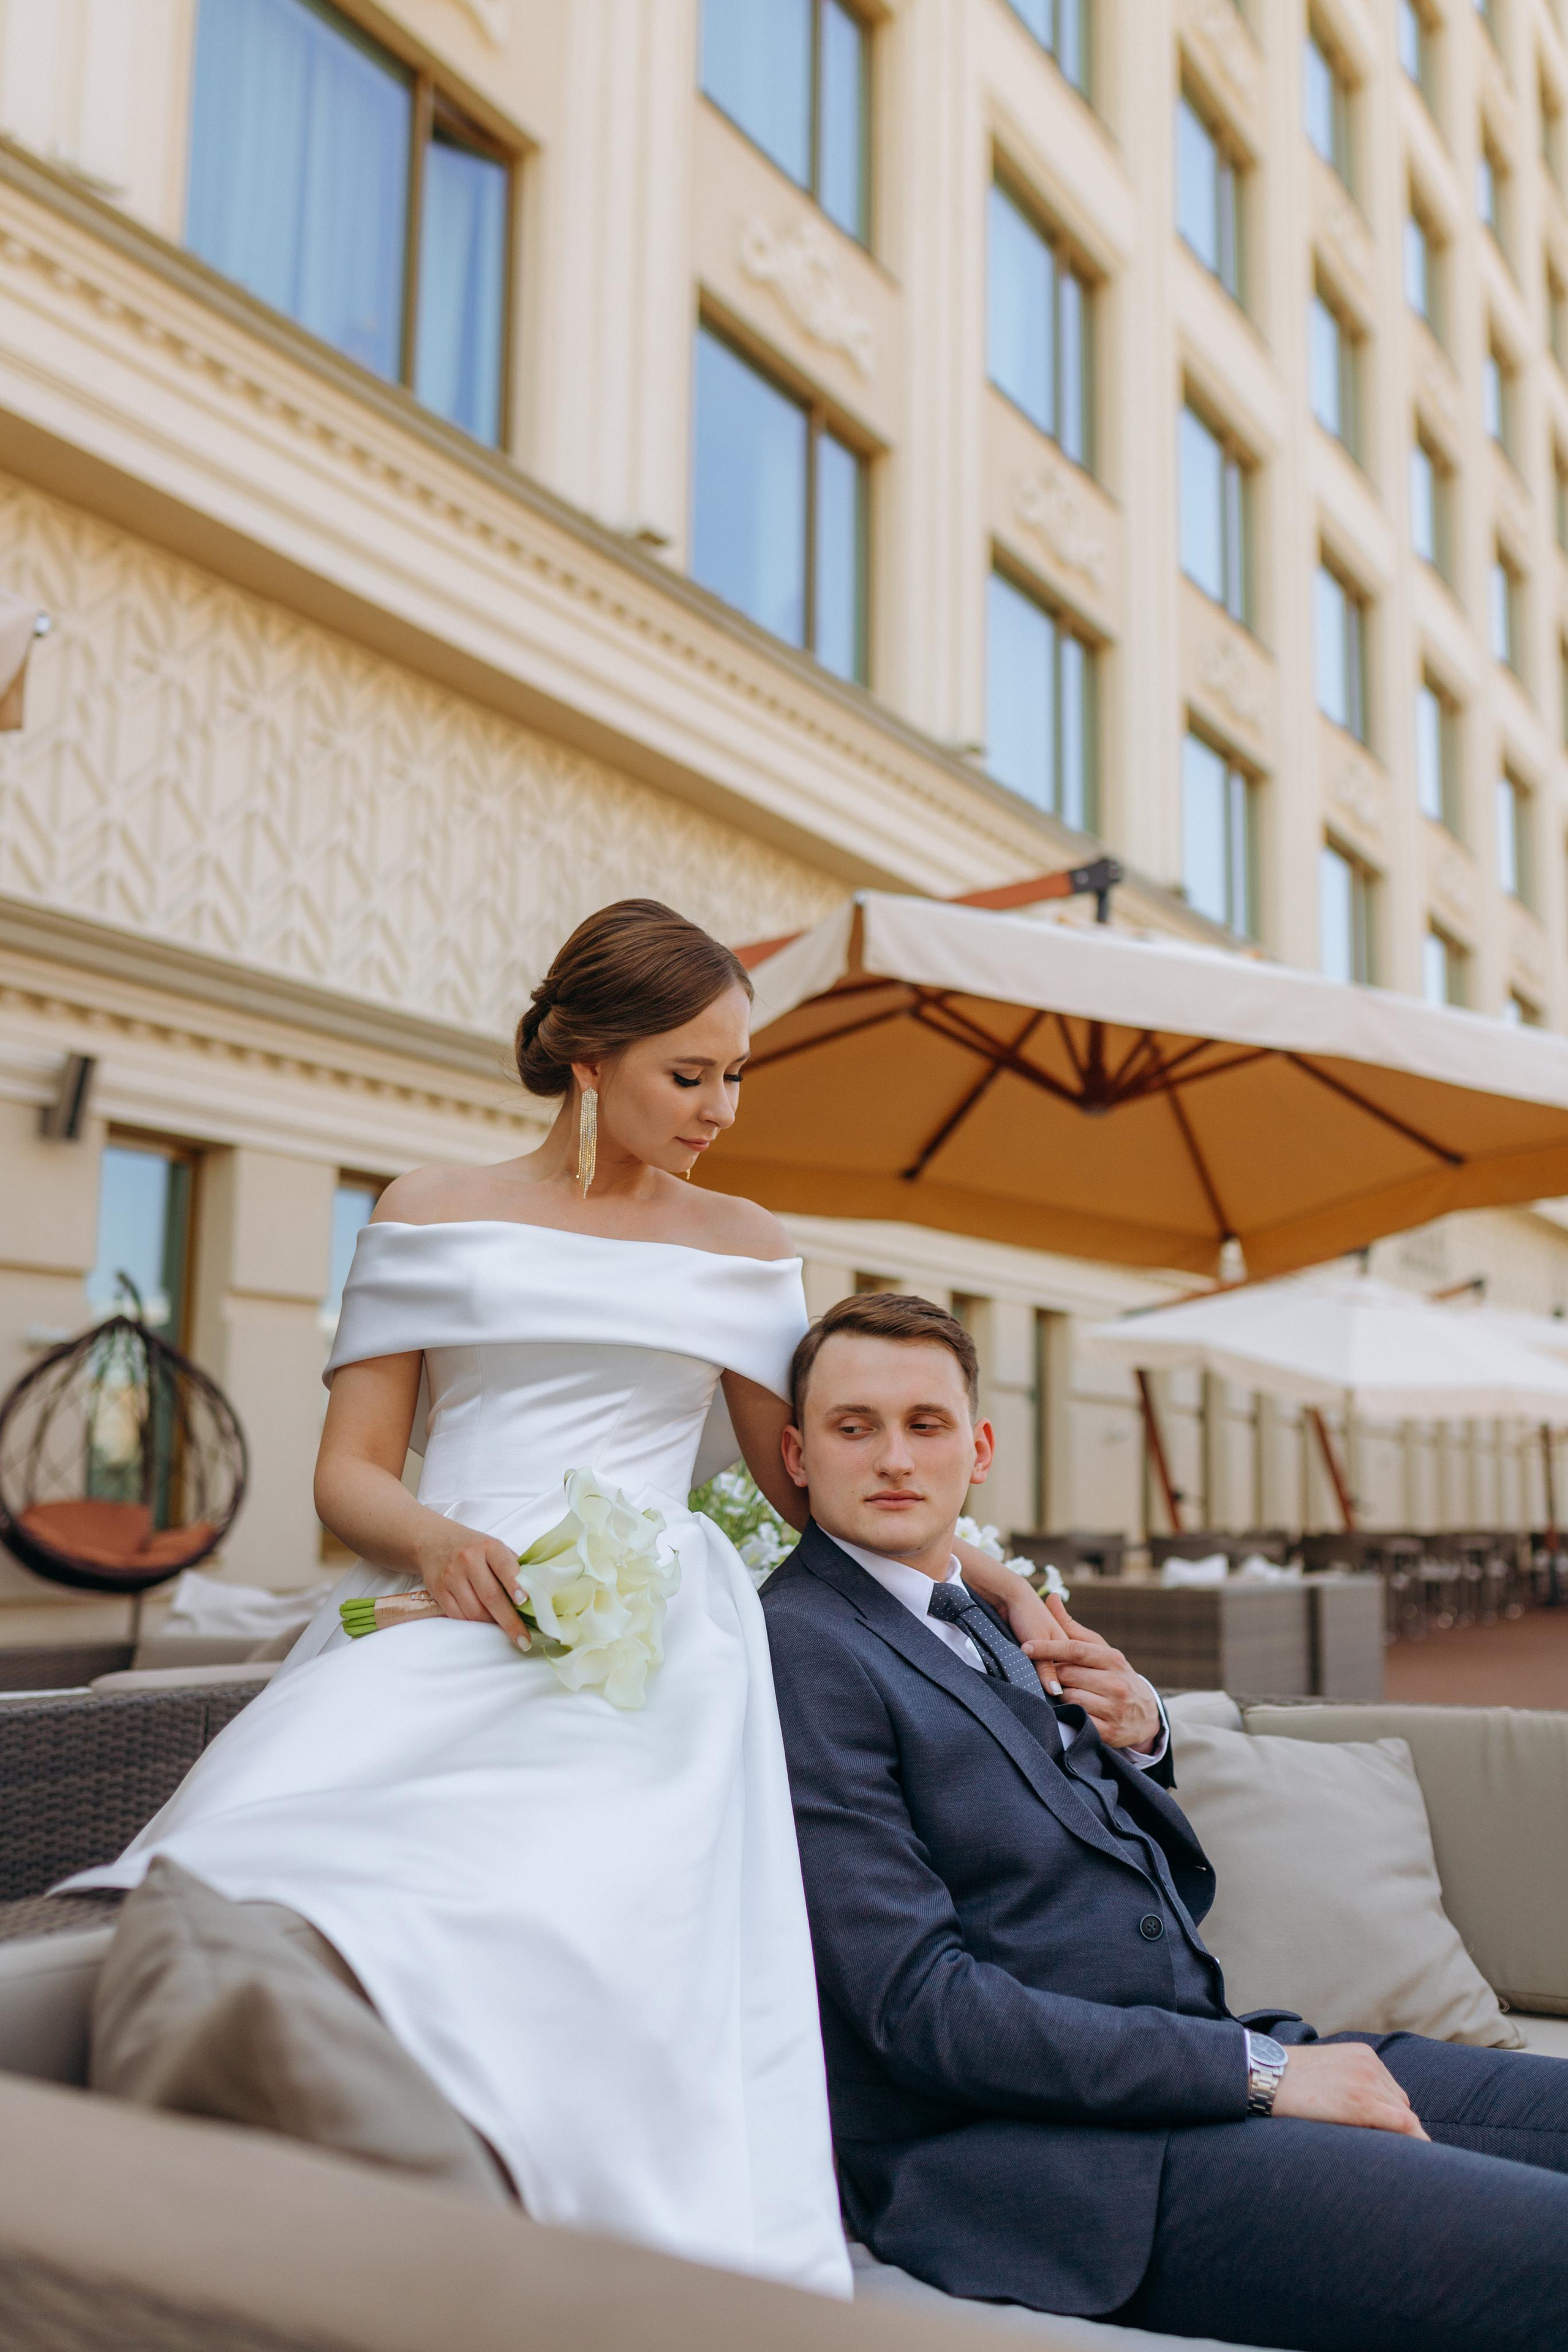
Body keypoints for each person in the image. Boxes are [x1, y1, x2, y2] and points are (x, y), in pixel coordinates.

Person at [64, 899, 1057, 2299]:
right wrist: (439, 1540)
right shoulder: (425, 1209)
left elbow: (807, 1482)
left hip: (656, 1628)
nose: (720, 1107)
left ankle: (602, 2239)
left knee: (602, 1882)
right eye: (688, 1073)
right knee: (302, 1839)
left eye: (735, 1074)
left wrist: (994, 1576)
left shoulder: (744, 1244)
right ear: (589, 1059)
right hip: (438, 1599)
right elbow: (345, 1476)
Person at [761, 1291, 1568, 2352]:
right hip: (1056, 2165)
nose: (895, 1458)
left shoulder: (984, 1613)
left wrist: (1140, 1734)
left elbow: (1085, 1831)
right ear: (798, 1454)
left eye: (927, 1424)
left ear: (980, 1448)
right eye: (853, 1427)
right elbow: (921, 2009)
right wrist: (1267, 2075)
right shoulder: (802, 1644)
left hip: (1203, 2065)